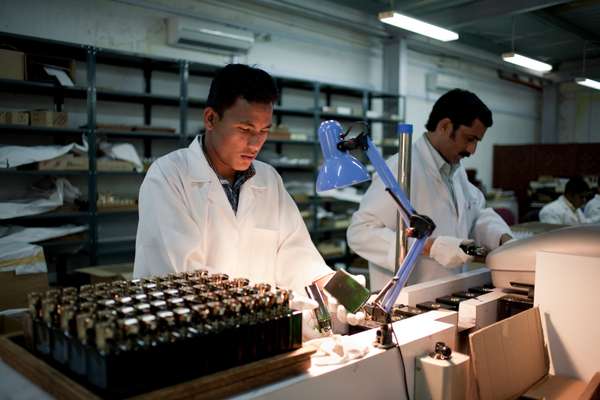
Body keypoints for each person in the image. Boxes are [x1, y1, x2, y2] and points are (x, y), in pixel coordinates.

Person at [133, 63, 334, 299]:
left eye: (264, 131)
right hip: (190, 328)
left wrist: (348, 294)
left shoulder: (268, 179)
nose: (255, 144)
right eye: (245, 129)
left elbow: (298, 255)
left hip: (256, 324)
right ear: (210, 119)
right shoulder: (168, 176)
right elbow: (184, 280)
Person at [347, 89, 513, 290]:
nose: (472, 150)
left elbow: (476, 214)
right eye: (469, 139)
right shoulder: (401, 169)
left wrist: (505, 239)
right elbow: (360, 233)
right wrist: (429, 247)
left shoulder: (454, 170)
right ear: (445, 126)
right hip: (407, 300)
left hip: (446, 294)